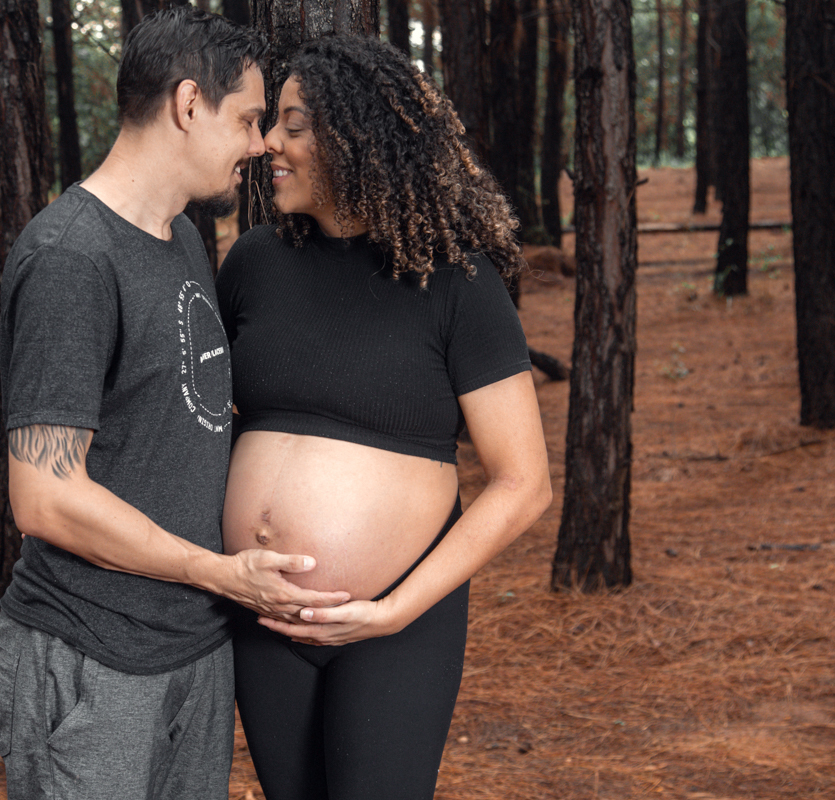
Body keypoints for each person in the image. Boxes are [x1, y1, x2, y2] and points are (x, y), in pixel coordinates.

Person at [0, 9, 349, 800]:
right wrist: (217, 571)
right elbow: (45, 498)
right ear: (189, 104)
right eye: (248, 119)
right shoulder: (71, 258)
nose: (259, 145)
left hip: (196, 647)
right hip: (95, 653)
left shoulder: (181, 237)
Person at [216, 35, 553, 800]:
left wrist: (395, 611)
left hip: (395, 625)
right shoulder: (254, 263)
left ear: (357, 139)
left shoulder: (456, 283)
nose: (268, 145)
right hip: (264, 618)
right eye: (271, 124)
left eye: (293, 126)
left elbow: (524, 483)